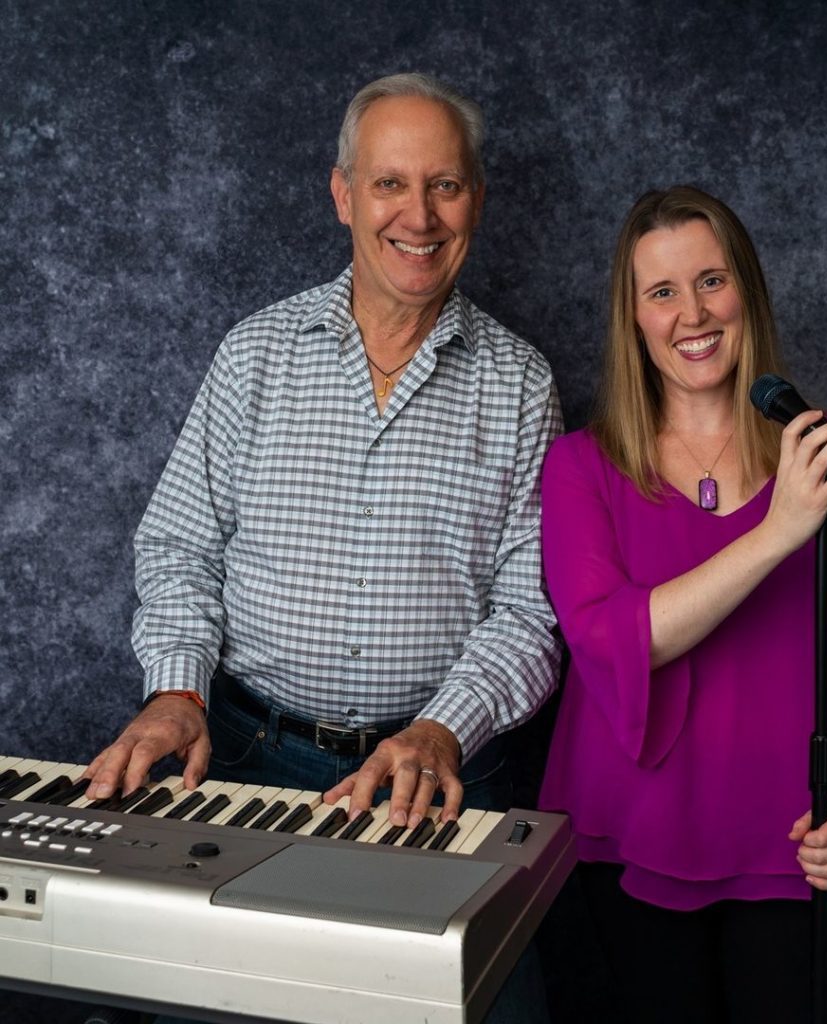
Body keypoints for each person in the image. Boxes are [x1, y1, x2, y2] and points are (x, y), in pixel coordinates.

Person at [84, 72, 562, 847]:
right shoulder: (255, 354)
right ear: (344, 196)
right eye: (389, 184)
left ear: (477, 200)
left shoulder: (521, 385)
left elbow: (528, 612)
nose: (419, 216)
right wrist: (176, 692)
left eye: (444, 185)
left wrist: (442, 728)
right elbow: (179, 549)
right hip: (246, 759)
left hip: (438, 778)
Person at [537, 185, 827, 1022]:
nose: (693, 314)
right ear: (633, 318)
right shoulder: (581, 467)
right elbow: (612, 638)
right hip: (634, 834)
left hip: (798, 839)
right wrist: (777, 532)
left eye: (711, 280)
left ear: (746, 289)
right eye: (662, 292)